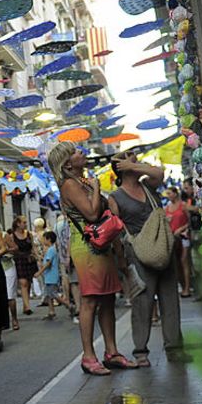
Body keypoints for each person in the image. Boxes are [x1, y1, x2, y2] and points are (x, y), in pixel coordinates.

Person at [47, 144, 135, 375]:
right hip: (86, 248)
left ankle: (112, 352)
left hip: (101, 245)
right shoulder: (69, 184)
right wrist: (97, 187)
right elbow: (92, 214)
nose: (82, 153)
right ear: (67, 163)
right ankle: (88, 356)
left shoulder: (82, 182)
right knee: (90, 301)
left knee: (107, 300)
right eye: (76, 152)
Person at [107, 150, 189, 365]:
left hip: (164, 247)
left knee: (170, 299)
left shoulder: (148, 185)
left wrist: (132, 166)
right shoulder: (115, 197)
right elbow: (115, 230)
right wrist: (121, 260)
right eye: (129, 156)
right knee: (142, 302)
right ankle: (140, 351)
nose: (135, 158)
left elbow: (159, 172)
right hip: (138, 253)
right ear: (119, 167)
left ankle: (174, 348)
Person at [6, 215, 38, 318]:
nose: (25, 224)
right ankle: (28, 307)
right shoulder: (12, 236)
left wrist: (36, 255)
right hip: (19, 260)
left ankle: (25, 305)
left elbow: (33, 246)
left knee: (28, 283)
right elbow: (11, 248)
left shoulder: (28, 234)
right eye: (24, 222)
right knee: (23, 282)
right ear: (18, 224)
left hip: (29, 259)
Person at [164, 186, 193, 298]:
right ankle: (183, 285)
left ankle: (187, 288)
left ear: (176, 193)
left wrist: (182, 228)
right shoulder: (167, 208)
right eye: (168, 194)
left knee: (184, 260)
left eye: (170, 193)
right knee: (176, 263)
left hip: (184, 236)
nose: (168, 195)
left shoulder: (183, 205)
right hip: (173, 238)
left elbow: (190, 221)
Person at [55, 213, 80, 324]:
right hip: (74, 255)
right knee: (75, 282)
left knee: (72, 281)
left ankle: (77, 306)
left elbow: (58, 243)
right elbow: (69, 239)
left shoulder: (59, 224)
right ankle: (79, 307)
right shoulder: (71, 222)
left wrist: (64, 257)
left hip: (66, 256)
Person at [35, 230, 67, 320]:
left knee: (53, 294)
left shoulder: (51, 250)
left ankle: (68, 305)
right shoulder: (51, 249)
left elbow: (48, 263)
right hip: (49, 276)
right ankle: (51, 311)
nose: (43, 241)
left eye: (44, 239)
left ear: (48, 239)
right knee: (49, 295)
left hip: (51, 276)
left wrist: (39, 272)